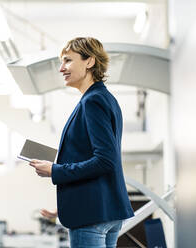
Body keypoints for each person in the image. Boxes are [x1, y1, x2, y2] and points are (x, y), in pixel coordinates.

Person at [29, 37, 134, 248]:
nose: (61, 68)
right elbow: (101, 161)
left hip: (92, 218)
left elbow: (105, 161)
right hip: (103, 210)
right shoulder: (104, 98)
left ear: (89, 62)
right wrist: (66, 207)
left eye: (67, 60)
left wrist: (54, 170)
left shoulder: (93, 101)